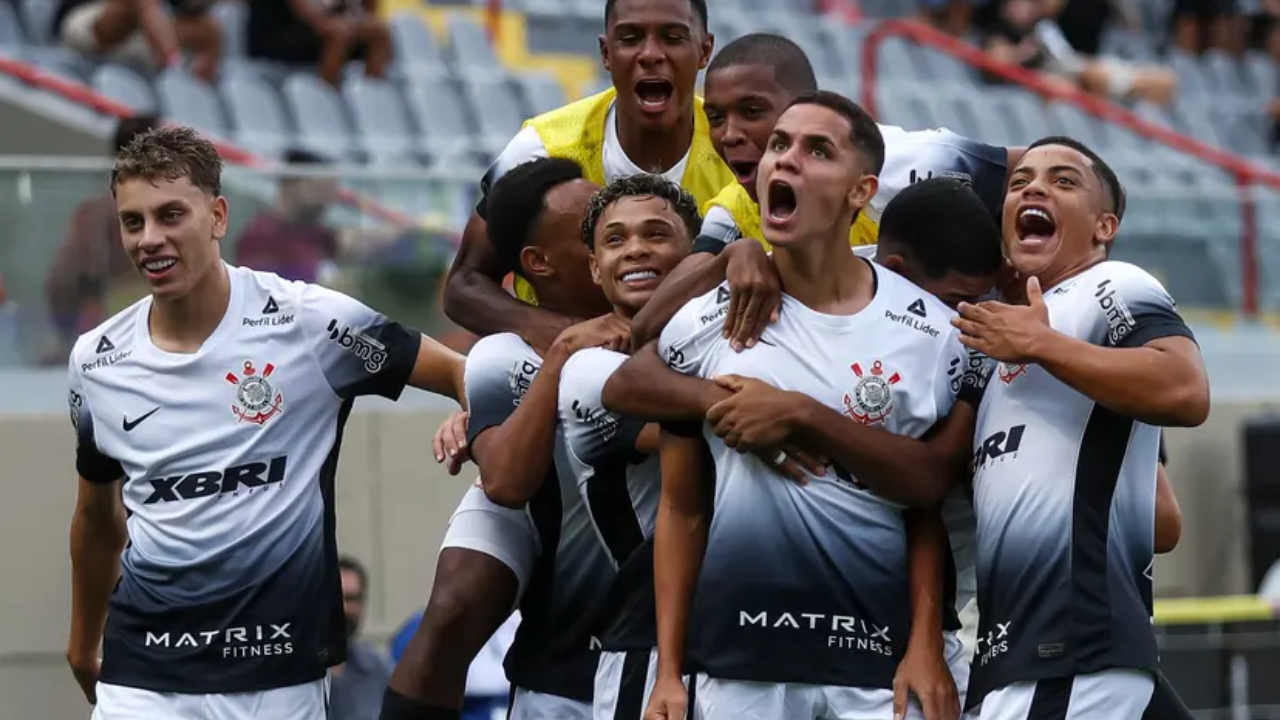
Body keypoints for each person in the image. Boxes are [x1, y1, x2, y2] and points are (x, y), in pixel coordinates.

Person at [66, 126, 467, 720]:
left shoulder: (311, 324)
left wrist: (470, 413)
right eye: (133, 222)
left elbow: (460, 372)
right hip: (144, 674)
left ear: (218, 216)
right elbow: (98, 517)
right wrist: (81, 639)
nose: (150, 239)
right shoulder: (95, 361)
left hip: (278, 675)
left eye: (171, 214)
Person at [599, 91, 968, 720]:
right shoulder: (715, 320)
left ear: (861, 191)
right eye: (779, 146)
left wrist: (925, 646)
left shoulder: (930, 333)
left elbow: (922, 507)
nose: (784, 162)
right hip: (742, 669)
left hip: (877, 671)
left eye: (816, 150)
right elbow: (682, 504)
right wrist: (669, 669)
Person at [951, 136, 1210, 718]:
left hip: (1065, 655)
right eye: (1020, 183)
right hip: (1032, 660)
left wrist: (1041, 345)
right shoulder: (999, 341)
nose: (1035, 188)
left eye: (1064, 181)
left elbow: (1186, 390)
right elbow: (1162, 521)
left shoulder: (1110, 286)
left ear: (1103, 227)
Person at [381, 157, 615, 720]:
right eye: (592, 231)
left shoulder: (672, 319)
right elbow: (506, 482)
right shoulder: (500, 357)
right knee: (456, 604)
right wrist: (561, 355)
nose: (613, 237)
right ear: (537, 263)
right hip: (540, 511)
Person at [631, 32, 1019, 349]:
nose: (730, 135)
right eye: (716, 118)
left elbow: (1039, 169)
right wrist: (733, 255)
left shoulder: (904, 162)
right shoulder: (733, 209)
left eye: (752, 112)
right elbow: (648, 325)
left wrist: (1021, 274)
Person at [440, 0, 736, 353]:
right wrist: (569, 336)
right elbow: (464, 284)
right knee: (494, 361)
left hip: (701, 365)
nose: (651, 54)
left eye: (673, 38)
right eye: (630, 38)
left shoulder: (738, 150)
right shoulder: (541, 148)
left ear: (704, 51)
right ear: (606, 52)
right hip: (556, 377)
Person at [557, 175, 701, 720]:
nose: (636, 248)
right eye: (615, 240)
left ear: (690, 253)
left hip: (750, 639)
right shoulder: (588, 370)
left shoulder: (719, 349)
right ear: (595, 268)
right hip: (647, 650)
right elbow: (720, 425)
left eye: (657, 234)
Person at [47, 113, 162, 362]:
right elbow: (72, 277)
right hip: (118, 324)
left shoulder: (99, 210)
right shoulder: (98, 213)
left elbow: (63, 279)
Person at [234, 149, 341, 285]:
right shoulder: (260, 237)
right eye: (319, 188)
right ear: (291, 182)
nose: (327, 198)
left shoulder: (319, 236)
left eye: (331, 190)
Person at [54, 0, 222, 81]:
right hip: (91, 19)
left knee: (210, 31)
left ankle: (187, 95)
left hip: (142, 35)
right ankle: (173, 66)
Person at [246, 0, 392, 87]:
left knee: (377, 31)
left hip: (323, 28)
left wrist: (358, 19)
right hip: (279, 32)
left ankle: (371, 96)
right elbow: (311, 16)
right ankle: (328, 97)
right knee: (339, 34)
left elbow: (367, 9)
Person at [331, 556, 394, 720]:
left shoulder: (379, 670)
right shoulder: (293, 673)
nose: (343, 608)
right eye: (336, 597)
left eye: (351, 599)